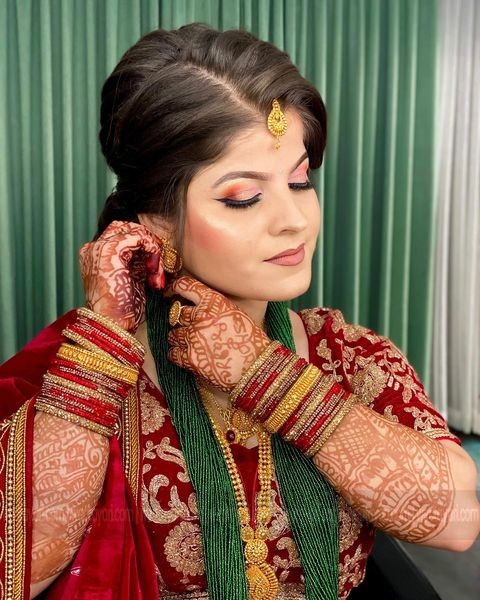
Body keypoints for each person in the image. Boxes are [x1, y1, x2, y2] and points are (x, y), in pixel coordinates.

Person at [0, 23, 478, 600]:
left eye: (299, 181)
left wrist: (263, 373)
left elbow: (458, 521)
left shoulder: (346, 355)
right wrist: (104, 337)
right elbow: (17, 572)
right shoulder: (85, 373)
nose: (294, 221)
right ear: (155, 221)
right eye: (243, 198)